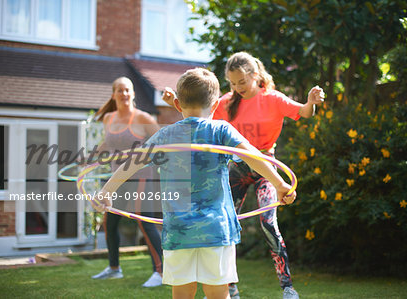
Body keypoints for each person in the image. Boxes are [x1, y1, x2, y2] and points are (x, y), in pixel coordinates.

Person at [93, 68, 297, 299]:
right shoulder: (221, 130)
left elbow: (132, 163)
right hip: (216, 229)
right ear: (216, 105)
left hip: (179, 231)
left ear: (177, 104)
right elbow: (254, 157)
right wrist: (279, 183)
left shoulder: (165, 135)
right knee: (217, 292)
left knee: (182, 293)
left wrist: (107, 190)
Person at [163, 52, 324, 299]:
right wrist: (177, 101)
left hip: (264, 168)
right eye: (232, 83)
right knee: (223, 225)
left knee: (269, 223)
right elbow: (197, 116)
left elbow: (303, 112)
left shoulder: (273, 99)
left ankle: (287, 287)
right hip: (237, 169)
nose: (237, 88)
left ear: (255, 76)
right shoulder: (227, 102)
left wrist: (311, 101)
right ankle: (229, 288)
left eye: (242, 82)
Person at [88, 77, 164, 288]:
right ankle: (114, 269)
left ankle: (160, 272)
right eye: (120, 90)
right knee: (109, 223)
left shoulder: (144, 118)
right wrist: (90, 158)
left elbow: (162, 143)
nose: (124, 94)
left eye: (127, 90)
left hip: (141, 176)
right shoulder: (109, 118)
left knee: (144, 221)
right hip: (116, 179)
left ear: (133, 93)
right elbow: (108, 143)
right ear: (114, 94)